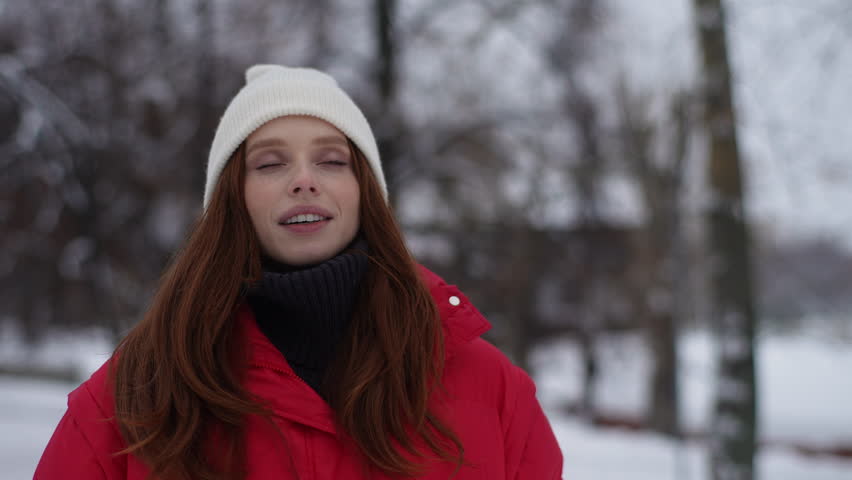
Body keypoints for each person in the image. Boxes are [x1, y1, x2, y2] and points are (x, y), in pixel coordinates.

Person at [34, 65, 563, 479]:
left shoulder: (493, 390)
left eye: (333, 161)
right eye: (269, 163)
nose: (304, 180)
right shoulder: (133, 394)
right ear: (231, 199)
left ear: (366, 194)